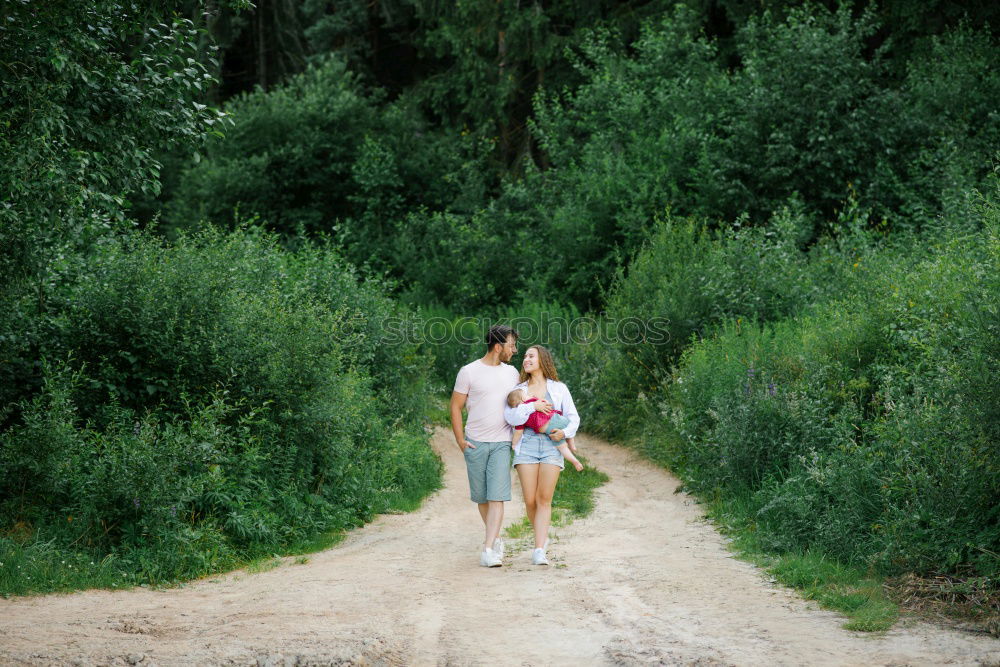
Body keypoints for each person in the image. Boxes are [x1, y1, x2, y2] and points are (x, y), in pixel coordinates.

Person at [450, 325, 552, 567]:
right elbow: (455, 407)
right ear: (498, 347)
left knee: (497, 497)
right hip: (474, 443)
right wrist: (460, 441)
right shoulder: (469, 372)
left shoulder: (512, 375)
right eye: (511, 345)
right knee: (482, 498)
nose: (514, 350)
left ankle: (487, 550)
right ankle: (494, 539)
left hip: (501, 443)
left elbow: (526, 398)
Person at [504, 345, 580, 566]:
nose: (526, 359)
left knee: (544, 498)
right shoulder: (518, 389)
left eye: (531, 356)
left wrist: (564, 433)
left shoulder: (559, 388)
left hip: (551, 444)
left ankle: (539, 549)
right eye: (525, 356)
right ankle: (541, 535)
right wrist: (533, 406)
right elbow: (511, 417)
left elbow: (573, 417)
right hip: (526, 443)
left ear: (542, 360)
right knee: (529, 499)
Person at [506, 388, 583, 472]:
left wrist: (514, 444)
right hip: (553, 426)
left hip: (553, 422)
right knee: (562, 444)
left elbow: (518, 432)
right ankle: (575, 461)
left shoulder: (521, 415)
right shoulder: (528, 407)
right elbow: (546, 403)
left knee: (563, 443)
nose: (529, 396)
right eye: (526, 395)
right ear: (523, 398)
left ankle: (571, 443)